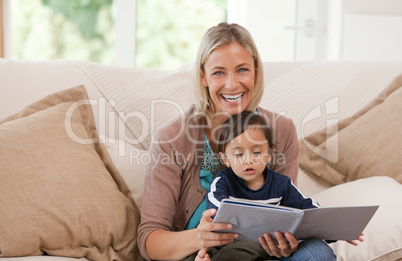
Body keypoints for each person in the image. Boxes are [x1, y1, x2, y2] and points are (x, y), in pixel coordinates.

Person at [137, 22, 308, 260]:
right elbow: (150, 241)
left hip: (261, 253)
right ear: (203, 77)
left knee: (317, 251)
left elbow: (288, 214)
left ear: (256, 72)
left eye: (242, 70)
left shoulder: (282, 129)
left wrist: (285, 242)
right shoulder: (171, 139)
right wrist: (199, 237)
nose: (232, 84)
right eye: (219, 72)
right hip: (199, 254)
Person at [199, 111, 335, 260]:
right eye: (239, 154)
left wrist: (335, 229)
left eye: (256, 152)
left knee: (318, 250)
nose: (248, 160)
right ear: (225, 158)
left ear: (269, 153)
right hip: (239, 251)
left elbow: (308, 209)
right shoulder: (223, 182)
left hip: (278, 251)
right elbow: (217, 208)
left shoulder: (281, 184)